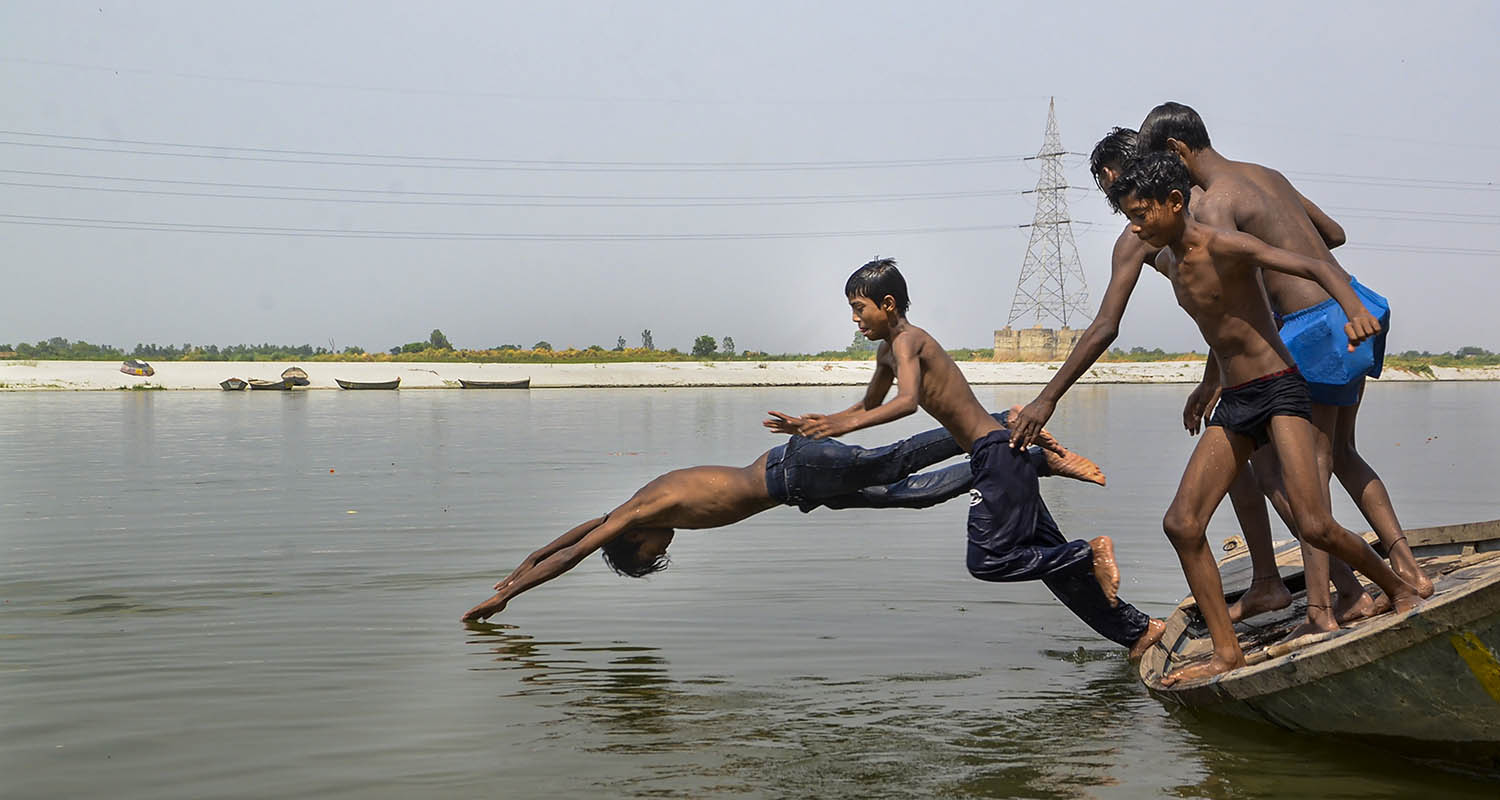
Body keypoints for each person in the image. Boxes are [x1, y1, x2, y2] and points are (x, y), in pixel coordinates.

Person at [462, 409, 1163, 658]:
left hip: (798, 477)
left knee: (895, 464)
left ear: (636, 542)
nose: (662, 550)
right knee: (904, 497)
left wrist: (513, 596)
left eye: (650, 559)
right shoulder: (636, 505)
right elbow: (574, 534)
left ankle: (1010, 427)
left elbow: (579, 550)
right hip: (801, 486)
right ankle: (1026, 453)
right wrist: (518, 563)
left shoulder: (640, 516)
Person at [1105, 152, 1421, 685]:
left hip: (1279, 389)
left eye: (1141, 215)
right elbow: (1220, 319)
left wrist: (1354, 311)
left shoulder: (1222, 244)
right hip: (1237, 399)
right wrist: (1209, 382)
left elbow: (1317, 264)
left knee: (1316, 523)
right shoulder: (1164, 258)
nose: (1135, 228)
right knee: (1181, 524)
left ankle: (1397, 588)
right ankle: (1229, 655)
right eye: (1129, 217)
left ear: (1175, 203)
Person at [766, 258, 1163, 656]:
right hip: (999, 457)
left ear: (887, 304)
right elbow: (869, 403)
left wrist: (841, 429)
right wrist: (815, 425)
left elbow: (905, 403)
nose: (854, 319)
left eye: (859, 308)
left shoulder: (908, 341)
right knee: (1052, 566)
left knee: (988, 560)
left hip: (995, 458)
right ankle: (1138, 630)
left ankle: (1089, 551)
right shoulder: (888, 353)